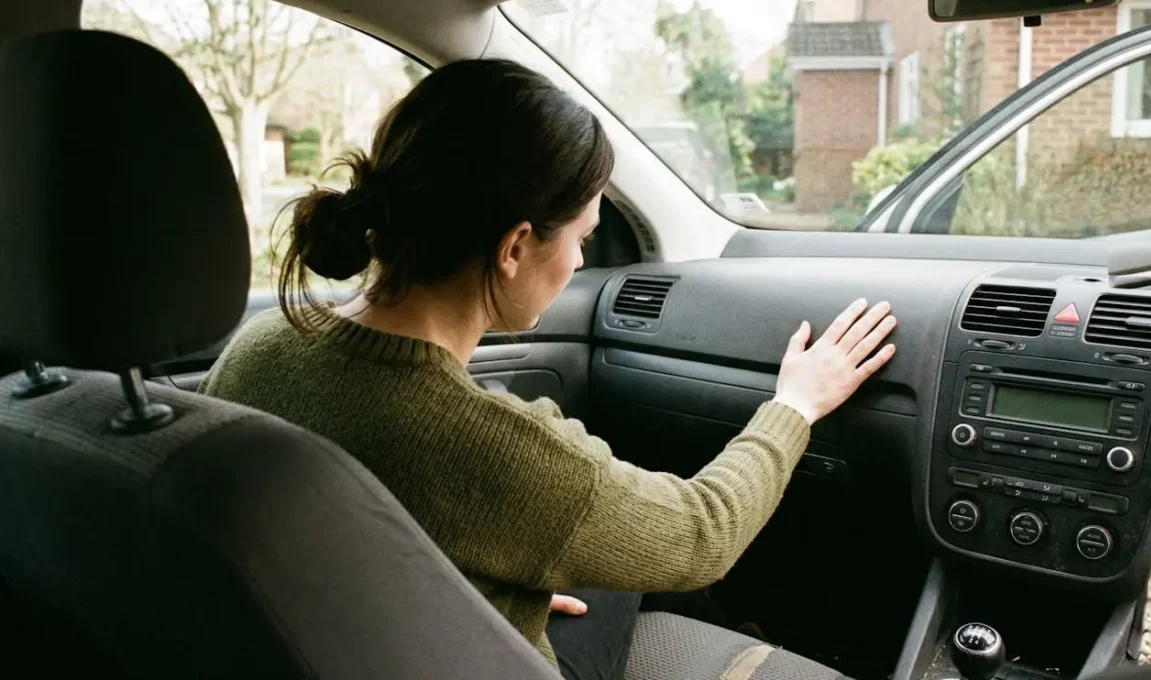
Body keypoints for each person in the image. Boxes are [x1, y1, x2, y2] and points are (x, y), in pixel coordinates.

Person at [200, 58, 898, 680]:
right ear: (514, 247)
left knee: (610, 573)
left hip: (352, 642)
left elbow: (346, 551)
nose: (579, 266)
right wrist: (796, 404)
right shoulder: (486, 447)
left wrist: (481, 593)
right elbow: (701, 532)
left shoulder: (260, 347)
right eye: (584, 239)